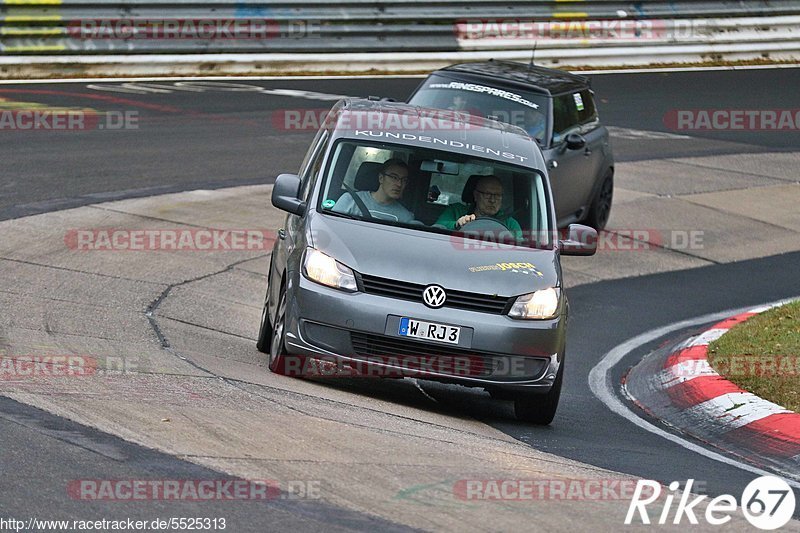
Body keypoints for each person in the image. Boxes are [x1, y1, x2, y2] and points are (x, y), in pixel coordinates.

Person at [435, 175, 522, 238]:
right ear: (476, 195)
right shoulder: (456, 211)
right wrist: (456, 224)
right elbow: (437, 228)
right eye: (487, 194)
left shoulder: (510, 223)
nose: (492, 200)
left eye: (497, 195)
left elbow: (520, 247)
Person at [332, 159, 415, 223]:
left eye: (404, 180)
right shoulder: (350, 200)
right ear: (381, 178)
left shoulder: (405, 217)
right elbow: (331, 226)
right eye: (394, 177)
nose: (399, 184)